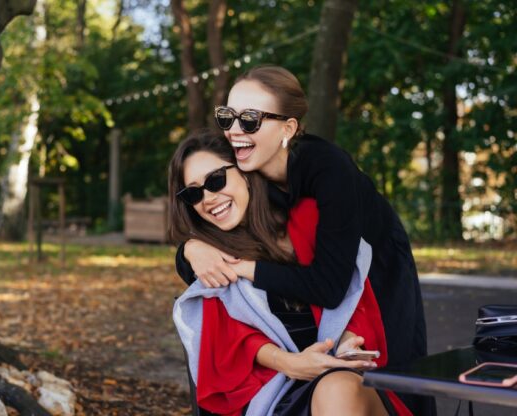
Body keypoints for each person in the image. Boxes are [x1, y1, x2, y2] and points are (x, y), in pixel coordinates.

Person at [175, 66, 434, 415]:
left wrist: (247, 268)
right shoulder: (247, 179)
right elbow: (214, 295)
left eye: (250, 120)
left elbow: (331, 288)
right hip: (289, 374)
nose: (235, 131)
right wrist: (190, 249)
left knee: (392, 367)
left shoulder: (327, 172)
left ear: (288, 128)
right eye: (228, 117)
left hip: (375, 268)